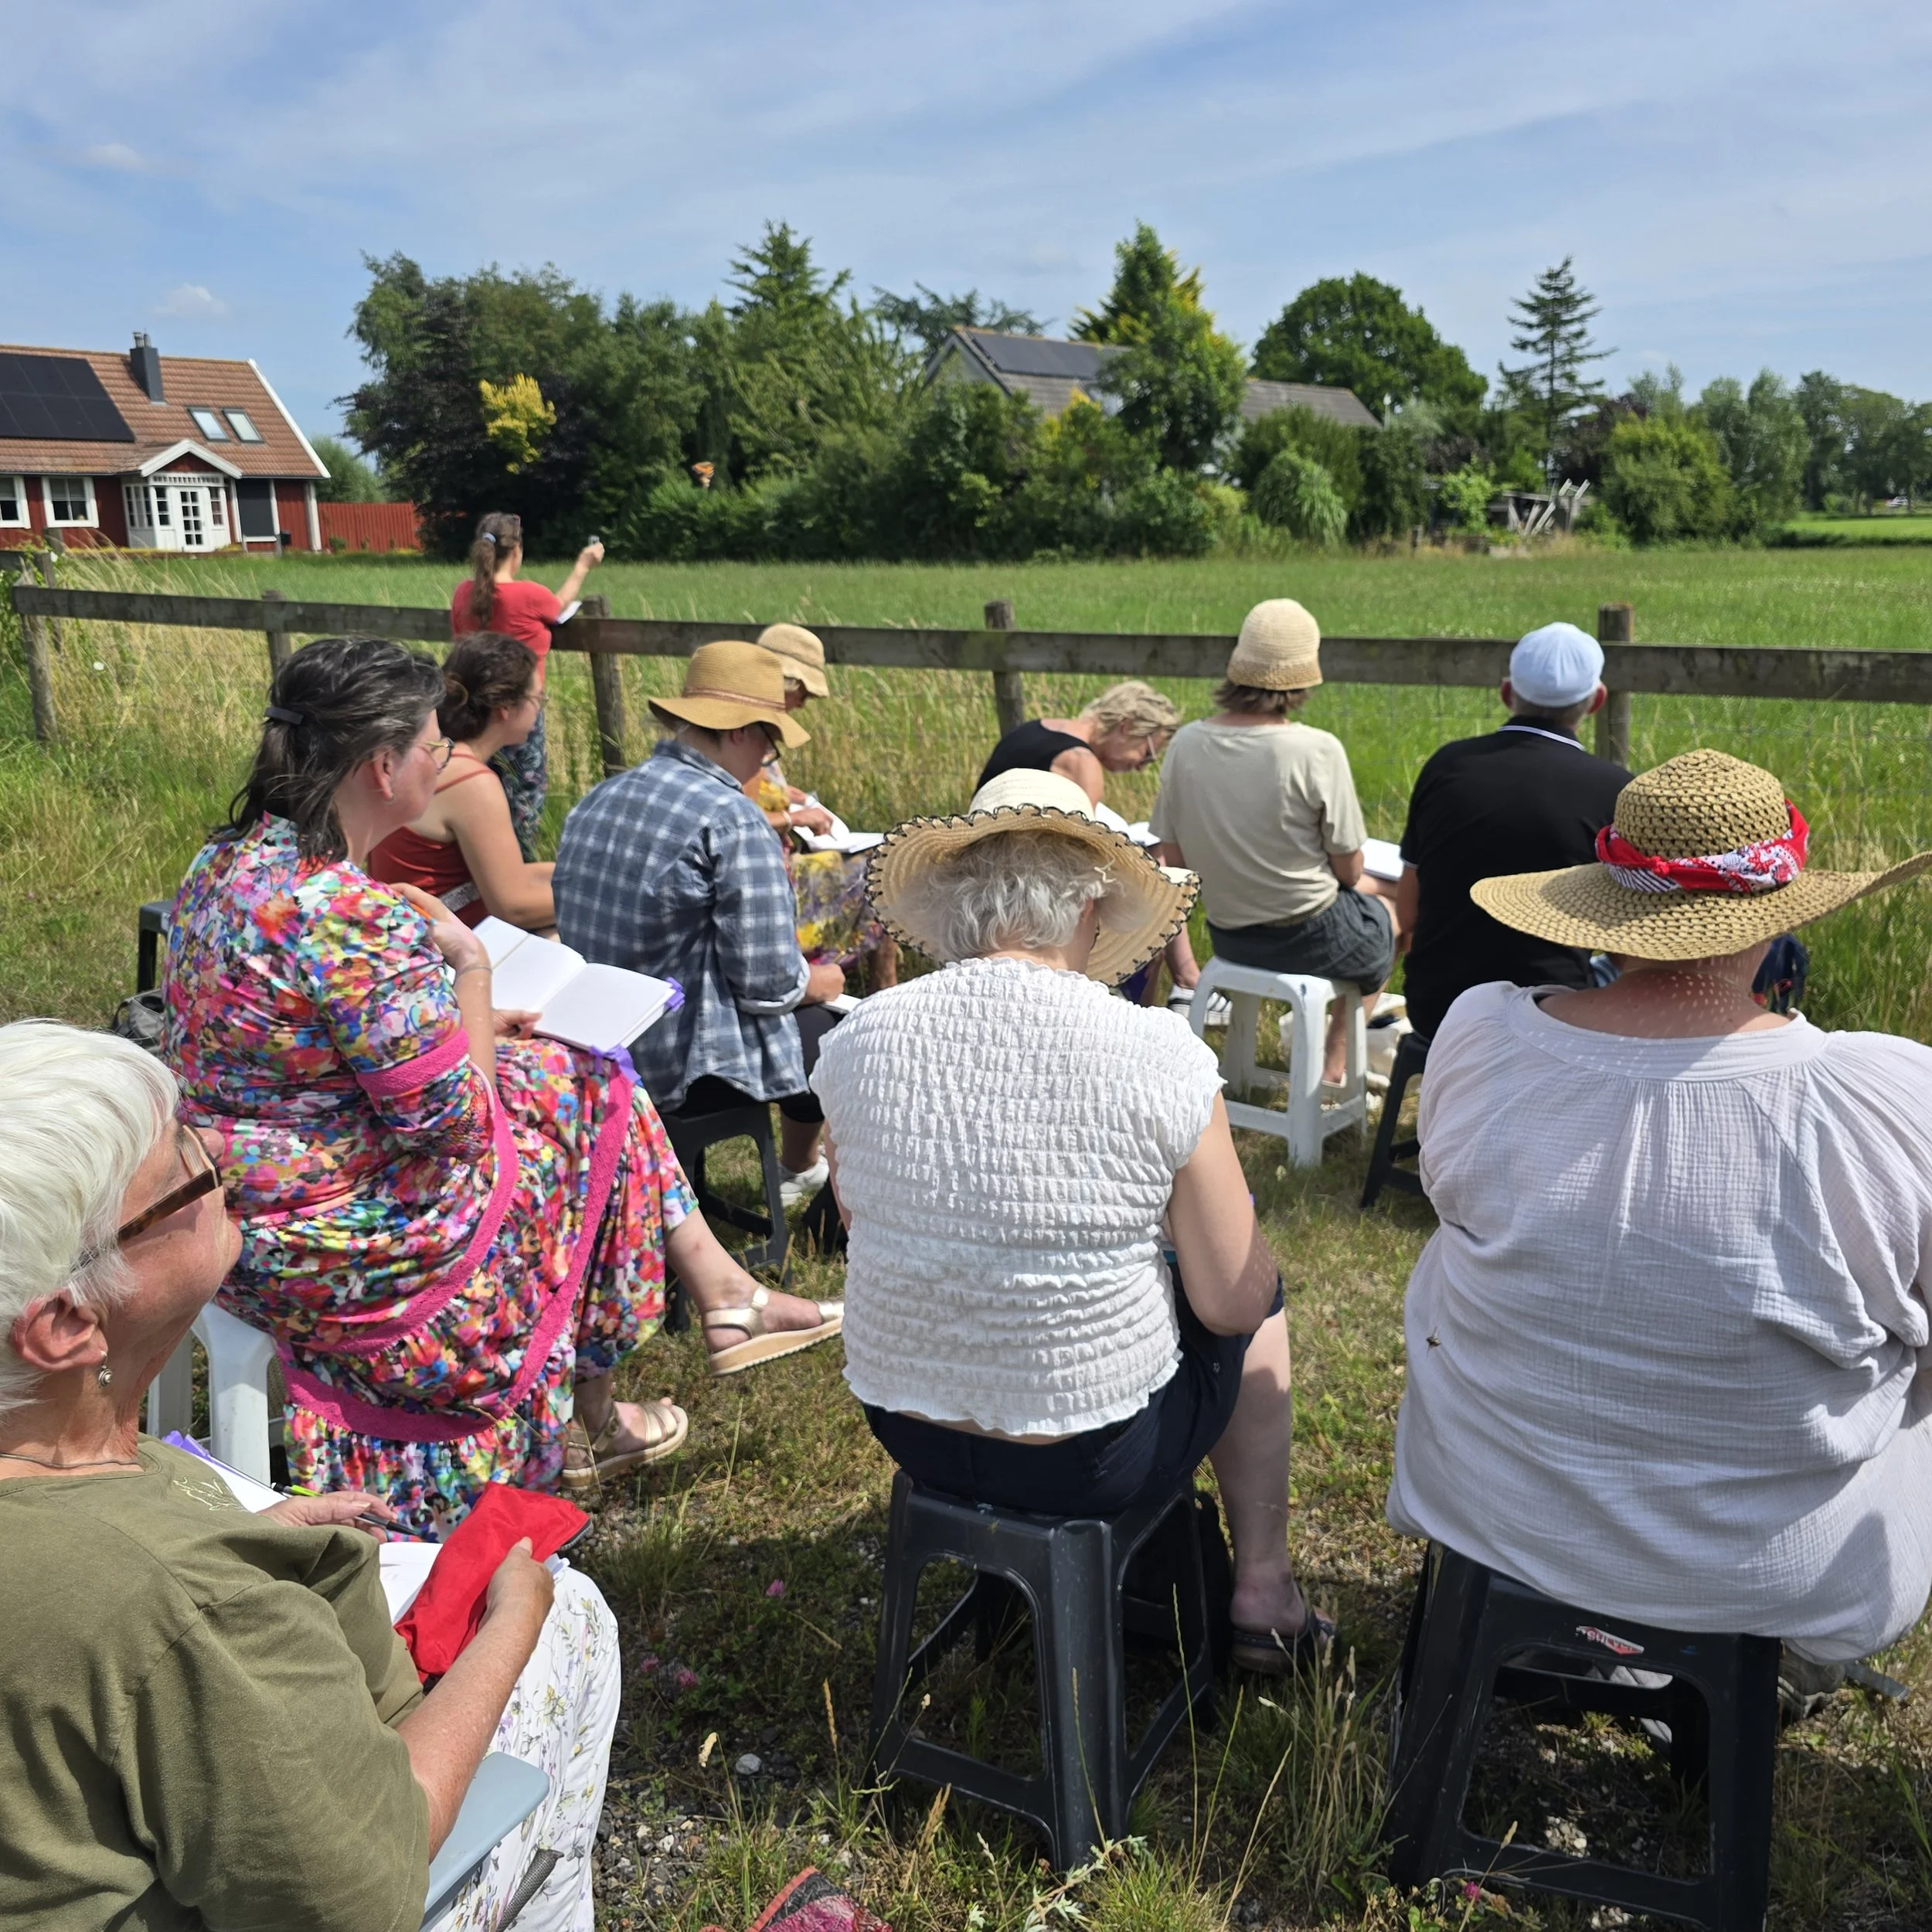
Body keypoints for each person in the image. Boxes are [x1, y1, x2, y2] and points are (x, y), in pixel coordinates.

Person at [164, 637, 842, 1531]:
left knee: (584, 1073)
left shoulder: (224, 866)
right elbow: (453, 1134)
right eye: (432, 744)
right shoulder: (348, 913)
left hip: (234, 1188)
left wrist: (465, 1021)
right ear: (382, 765)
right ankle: (620, 1389)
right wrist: (471, 974)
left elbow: (307, 1046)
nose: (443, 759)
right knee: (588, 1090)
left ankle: (700, 1319)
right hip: (333, 1234)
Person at [0, 1019, 620, 1932]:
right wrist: (515, 1620)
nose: (214, 1147)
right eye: (177, 1169)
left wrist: (240, 1530)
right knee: (574, 1615)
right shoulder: (180, 1605)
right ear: (65, 1326)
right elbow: (358, 1893)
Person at [1388, 749, 1932, 1668]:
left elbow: (1450, 1197)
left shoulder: (1481, 1035)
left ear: (1607, 904)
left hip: (1489, 1512)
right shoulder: (1887, 1097)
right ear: (1777, 918)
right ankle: (1777, 1671)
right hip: (1772, 1574)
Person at [814, 770, 1325, 1671]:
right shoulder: (1155, 1050)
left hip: (907, 1421)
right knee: (1261, 1292)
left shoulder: (860, 1039)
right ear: (1090, 902)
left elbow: (860, 1222)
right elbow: (1231, 1305)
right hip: (1089, 1449)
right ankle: (1264, 1587)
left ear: (960, 907)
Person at [554, 641, 853, 1209]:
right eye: (769, 737)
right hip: (684, 1055)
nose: (769, 755)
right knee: (845, 1037)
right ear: (740, 731)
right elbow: (768, 984)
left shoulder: (601, 796)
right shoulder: (732, 818)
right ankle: (824, 1195)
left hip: (599, 1034)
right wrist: (823, 982)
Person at [1149, 599, 1403, 1086]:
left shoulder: (1185, 744)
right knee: (1394, 920)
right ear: (1304, 677)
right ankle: (1333, 1067)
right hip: (1308, 934)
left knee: (1376, 902)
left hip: (1229, 932)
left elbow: (1175, 857)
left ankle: (1262, 1073)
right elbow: (1349, 872)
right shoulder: (1315, 749)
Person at [1395, 621, 1631, 1041]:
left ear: (1507, 694)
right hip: (1550, 1014)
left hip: (1438, 1010)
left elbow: (1408, 914)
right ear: (1596, 701)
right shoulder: (1614, 789)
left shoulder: (1446, 765)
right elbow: (1624, 950)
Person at [978, 679, 1202, 1006]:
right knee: (1148, 911)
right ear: (1125, 727)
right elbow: (1083, 853)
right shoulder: (1082, 763)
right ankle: (1163, 999)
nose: (1140, 767)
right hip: (1032, 899)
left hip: (984, 880)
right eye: (1147, 754)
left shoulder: (1031, 731)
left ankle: (1185, 982)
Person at [368, 631, 559, 932]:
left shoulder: (439, 758)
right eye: (538, 699)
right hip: (447, 947)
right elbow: (513, 907)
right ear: (506, 708)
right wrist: (595, 898)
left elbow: (508, 874)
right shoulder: (472, 782)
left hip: (409, 929)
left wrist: (575, 873)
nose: (539, 709)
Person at [747, 622, 899, 988]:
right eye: (804, 692)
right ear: (785, 683)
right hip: (770, 877)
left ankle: (877, 985)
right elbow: (735, 819)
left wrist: (789, 794)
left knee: (886, 862)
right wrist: (794, 816)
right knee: (884, 871)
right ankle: (878, 989)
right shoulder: (745, 731)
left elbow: (752, 792)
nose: (804, 703)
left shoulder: (755, 733)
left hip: (780, 863)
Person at [451, 512, 606, 857]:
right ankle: (518, 863)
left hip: (472, 709)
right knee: (524, 791)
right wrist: (582, 565)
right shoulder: (530, 595)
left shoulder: (463, 594)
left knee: (478, 786)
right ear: (517, 550)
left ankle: (480, 860)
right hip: (520, 713)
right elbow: (558, 606)